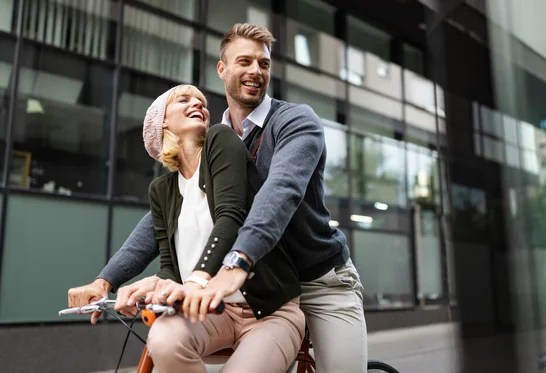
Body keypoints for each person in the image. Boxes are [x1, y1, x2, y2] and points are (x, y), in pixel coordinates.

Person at [68, 23, 367, 373]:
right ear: (222, 69)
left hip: (320, 278)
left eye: (264, 64)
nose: (256, 71)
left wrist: (237, 261)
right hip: (253, 283)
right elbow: (158, 224)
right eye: (245, 61)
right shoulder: (213, 146)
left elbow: (281, 190)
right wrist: (107, 280)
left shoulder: (294, 121)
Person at [140, 83, 304, 373]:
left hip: (270, 313)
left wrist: (196, 281)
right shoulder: (161, 190)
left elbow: (231, 216)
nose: (199, 105)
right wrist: (154, 284)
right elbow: (170, 266)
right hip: (212, 313)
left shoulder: (221, 140)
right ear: (162, 120)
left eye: (202, 102)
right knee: (163, 338)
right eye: (184, 100)